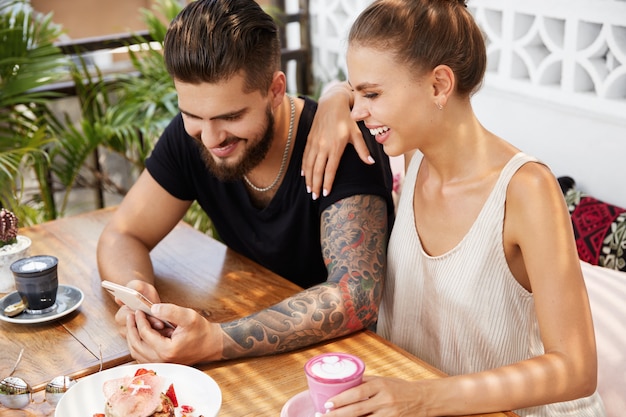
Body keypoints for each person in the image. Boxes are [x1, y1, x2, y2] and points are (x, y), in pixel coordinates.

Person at [302, 0, 607, 416]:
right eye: (356, 94)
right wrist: (334, 99)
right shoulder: (413, 158)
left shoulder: (527, 191)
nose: (360, 112)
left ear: (439, 85)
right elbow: (355, 90)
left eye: (371, 94)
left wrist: (424, 397)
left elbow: (575, 370)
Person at [96, 0, 394, 366]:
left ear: (274, 89)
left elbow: (356, 295)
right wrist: (136, 293)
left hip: (343, 364)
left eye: (231, 116)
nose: (210, 138)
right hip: (249, 350)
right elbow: (122, 234)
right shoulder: (192, 138)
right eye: (191, 115)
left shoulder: (341, 144)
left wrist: (215, 341)